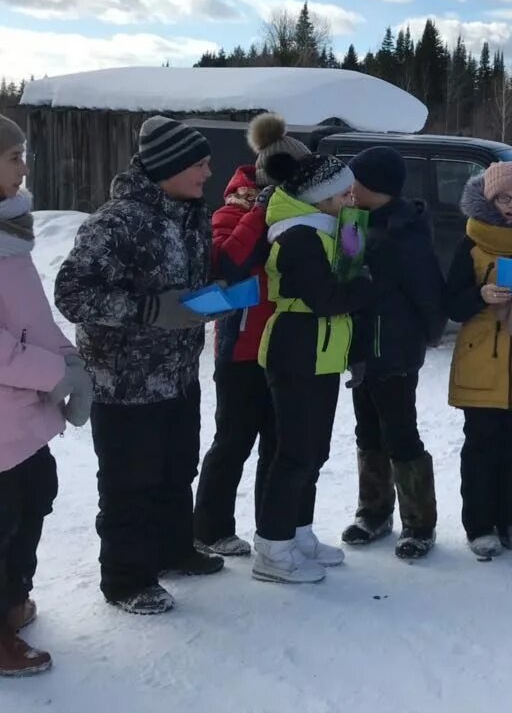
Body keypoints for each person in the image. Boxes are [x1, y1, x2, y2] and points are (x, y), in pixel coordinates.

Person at [55, 117, 220, 615]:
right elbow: (73, 293)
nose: (209, 173)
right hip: (124, 382)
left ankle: (172, 550)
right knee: (131, 484)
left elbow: (183, 289)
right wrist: (150, 309)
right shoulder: (116, 221)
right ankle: (126, 579)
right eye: (200, 164)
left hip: (178, 374)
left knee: (177, 470)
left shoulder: (190, 215)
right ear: (169, 167)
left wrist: (211, 299)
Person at [253, 152, 376, 583]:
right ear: (320, 198)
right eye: (344, 192)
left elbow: (343, 283)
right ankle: (271, 547)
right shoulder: (299, 237)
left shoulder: (329, 229)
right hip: (297, 348)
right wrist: (363, 286)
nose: (352, 198)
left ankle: (297, 531)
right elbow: (327, 299)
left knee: (314, 452)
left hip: (322, 351)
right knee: (294, 454)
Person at [193, 113, 309, 558]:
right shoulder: (234, 208)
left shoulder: (303, 209)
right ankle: (209, 528)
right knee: (233, 441)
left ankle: (272, 529)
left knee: (279, 444)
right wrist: (263, 210)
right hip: (242, 345)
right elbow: (226, 263)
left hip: (284, 345)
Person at [0, 115, 92, 675]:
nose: (24, 167)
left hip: (20, 412)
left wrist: (70, 360)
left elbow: (29, 319)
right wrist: (52, 374)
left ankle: (11, 602)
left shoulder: (10, 233)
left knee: (34, 496)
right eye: (14, 157)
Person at [342, 146, 446, 561]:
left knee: (400, 433)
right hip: (360, 349)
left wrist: (427, 335)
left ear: (377, 189)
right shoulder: (352, 221)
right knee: (367, 431)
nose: (349, 189)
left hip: (396, 351)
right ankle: (374, 511)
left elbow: (429, 292)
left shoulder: (406, 232)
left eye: (356, 183)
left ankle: (420, 522)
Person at [446, 163, 512, 561]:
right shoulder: (470, 245)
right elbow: (452, 304)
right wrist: (480, 296)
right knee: (480, 449)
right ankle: (479, 526)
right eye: (504, 198)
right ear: (488, 200)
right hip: (482, 364)